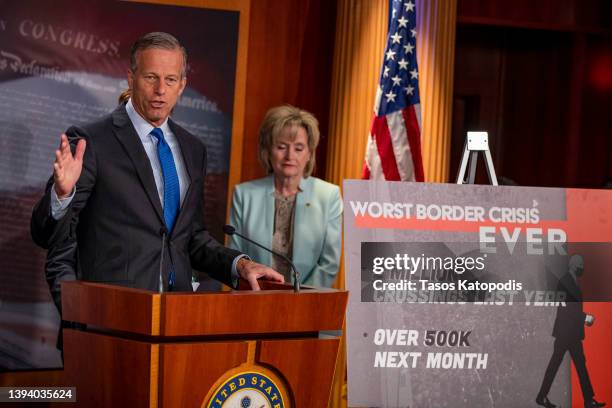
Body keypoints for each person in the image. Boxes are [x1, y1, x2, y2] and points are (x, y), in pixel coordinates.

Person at [31, 32, 283, 292]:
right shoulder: (91, 142)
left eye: (170, 80)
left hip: (176, 316)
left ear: (182, 85)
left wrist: (239, 265)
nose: (160, 90)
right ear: (131, 78)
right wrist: (61, 195)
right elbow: (50, 237)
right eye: (151, 77)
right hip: (112, 314)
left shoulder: (193, 150)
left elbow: (191, 237)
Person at [228, 105, 342, 287]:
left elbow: (329, 264)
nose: (290, 156)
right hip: (255, 297)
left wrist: (300, 300)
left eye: (298, 148)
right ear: (267, 151)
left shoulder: (329, 196)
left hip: (309, 301)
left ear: (309, 153)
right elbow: (235, 256)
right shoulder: (244, 195)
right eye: (282, 147)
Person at [536, 255, 605, 408]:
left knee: (579, 365)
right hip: (565, 332)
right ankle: (542, 397)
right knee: (557, 365)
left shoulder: (573, 280)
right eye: (580, 264)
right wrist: (585, 318)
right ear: (573, 265)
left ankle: (588, 400)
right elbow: (568, 308)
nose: (582, 266)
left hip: (571, 333)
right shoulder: (565, 281)